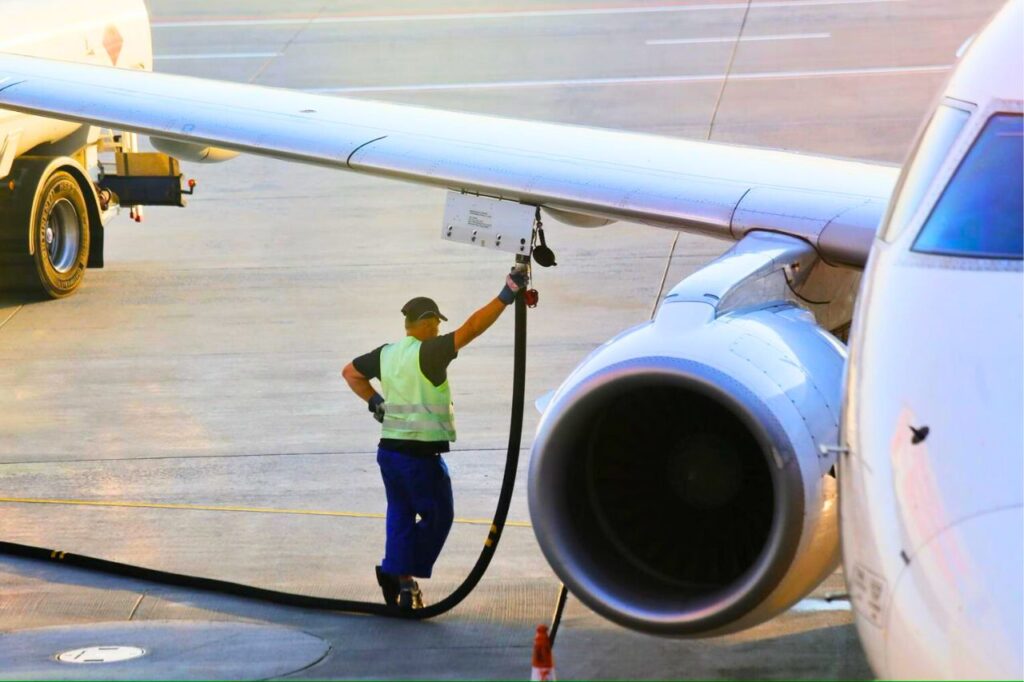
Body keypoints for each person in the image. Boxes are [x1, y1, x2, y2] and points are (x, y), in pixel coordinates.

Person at [341, 269, 527, 610]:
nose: (439, 329)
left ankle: (400, 580)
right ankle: (400, 571)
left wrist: (375, 401)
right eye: (437, 323)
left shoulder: (387, 353)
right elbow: (472, 328)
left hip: (389, 454)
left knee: (400, 512)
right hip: (419, 457)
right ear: (426, 323)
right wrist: (507, 294)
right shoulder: (430, 352)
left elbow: (350, 373)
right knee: (439, 514)